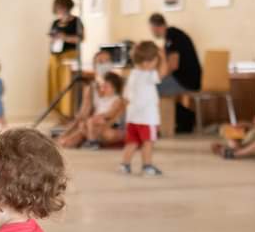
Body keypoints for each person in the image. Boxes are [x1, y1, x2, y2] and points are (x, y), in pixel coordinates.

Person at [149, 13, 201, 132]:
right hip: (187, 79)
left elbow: (173, 65)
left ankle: (185, 118)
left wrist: (158, 77)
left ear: (155, 27)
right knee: (153, 88)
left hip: (186, 80)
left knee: (151, 89)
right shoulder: (173, 36)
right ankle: (184, 117)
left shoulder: (172, 36)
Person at [119, 41, 164, 176]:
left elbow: (125, 97)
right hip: (147, 119)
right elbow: (163, 72)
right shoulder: (149, 75)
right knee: (148, 142)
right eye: (156, 61)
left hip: (133, 118)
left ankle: (125, 165)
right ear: (147, 63)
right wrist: (163, 57)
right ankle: (147, 166)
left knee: (132, 142)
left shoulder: (132, 74)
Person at [57, 73, 126, 150]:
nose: (103, 88)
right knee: (83, 125)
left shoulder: (117, 99)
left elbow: (111, 113)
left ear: (114, 88)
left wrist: (100, 116)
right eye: (103, 86)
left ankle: (92, 142)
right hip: (97, 121)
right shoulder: (102, 99)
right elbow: (90, 108)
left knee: (90, 122)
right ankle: (69, 141)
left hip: (107, 122)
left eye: (106, 86)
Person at [47, 0, 83, 118]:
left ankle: (68, 115)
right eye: (58, 8)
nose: (60, 10)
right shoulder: (55, 23)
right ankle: (59, 115)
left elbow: (80, 39)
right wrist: (54, 38)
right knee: (55, 87)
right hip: (55, 58)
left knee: (66, 87)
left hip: (69, 58)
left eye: (62, 7)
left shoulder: (76, 21)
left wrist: (65, 37)